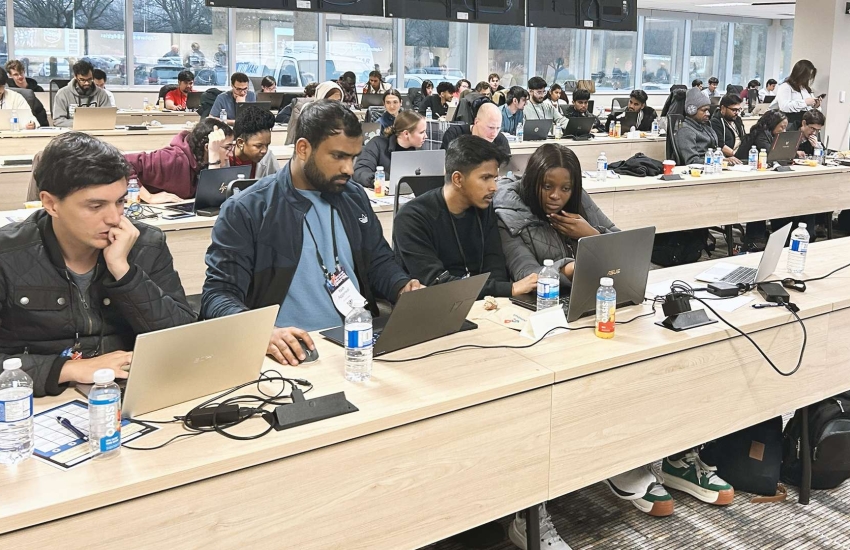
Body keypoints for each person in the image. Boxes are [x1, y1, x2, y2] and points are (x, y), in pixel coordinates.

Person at [201, 100, 422, 365]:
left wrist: (402, 287)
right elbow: (217, 294)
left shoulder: (352, 196)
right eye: (338, 156)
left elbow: (378, 261)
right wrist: (261, 333)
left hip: (358, 342)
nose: (349, 169)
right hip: (292, 353)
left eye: (353, 157)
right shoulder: (248, 209)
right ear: (303, 148)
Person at [0, 132, 194, 397]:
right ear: (50, 204)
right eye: (95, 206)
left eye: (120, 201)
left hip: (131, 391)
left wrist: (124, 273)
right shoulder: (8, 254)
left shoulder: (146, 244)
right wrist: (67, 369)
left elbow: (186, 340)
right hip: (39, 401)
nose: (114, 218)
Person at [394, 135, 537, 300]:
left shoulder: (483, 207)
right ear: (458, 179)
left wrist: (496, 300)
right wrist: (509, 289)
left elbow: (495, 264)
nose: (494, 187)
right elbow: (435, 283)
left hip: (483, 305)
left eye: (495, 178)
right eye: (485, 178)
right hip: (435, 308)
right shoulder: (412, 218)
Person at [495, 143, 618, 287]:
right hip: (543, 301)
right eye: (547, 187)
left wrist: (593, 235)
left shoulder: (578, 198)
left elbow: (625, 245)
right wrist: (572, 269)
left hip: (590, 289)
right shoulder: (507, 212)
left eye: (565, 188)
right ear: (532, 181)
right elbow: (525, 273)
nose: (555, 195)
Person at [124, 118, 234, 203]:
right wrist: (149, 197)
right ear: (207, 147)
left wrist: (214, 159)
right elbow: (123, 162)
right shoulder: (172, 158)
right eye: (227, 148)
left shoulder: (203, 162)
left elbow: (211, 198)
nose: (230, 154)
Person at [737, 110, 788, 248]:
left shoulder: (769, 135)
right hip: (743, 174)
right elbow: (772, 155)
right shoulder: (761, 135)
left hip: (756, 174)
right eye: (781, 127)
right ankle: (755, 236)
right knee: (763, 196)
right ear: (772, 124)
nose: (784, 131)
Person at [354, 111, 427, 188]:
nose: (426, 136)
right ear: (406, 134)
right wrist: (379, 180)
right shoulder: (377, 144)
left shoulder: (419, 151)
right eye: (422, 132)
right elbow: (360, 172)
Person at [52, 59, 112, 127]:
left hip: (96, 133)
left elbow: (108, 119)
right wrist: (83, 124)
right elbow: (58, 121)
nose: (86, 83)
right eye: (82, 80)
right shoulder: (62, 94)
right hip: (71, 134)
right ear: (75, 76)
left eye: (89, 79)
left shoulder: (102, 94)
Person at [441, 102, 512, 158]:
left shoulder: (500, 140)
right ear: (476, 122)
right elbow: (446, 166)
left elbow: (507, 168)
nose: (494, 134)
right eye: (491, 128)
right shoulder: (454, 134)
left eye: (498, 128)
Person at [229, 106, 281, 179]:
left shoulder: (268, 157)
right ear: (240, 143)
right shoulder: (226, 158)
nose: (264, 151)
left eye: (267, 145)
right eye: (258, 146)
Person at [284, 81, 342, 146]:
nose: (335, 105)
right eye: (330, 101)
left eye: (338, 101)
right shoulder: (309, 112)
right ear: (321, 98)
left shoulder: (342, 116)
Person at [675, 87, 719, 165]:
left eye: (708, 110)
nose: (708, 113)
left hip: (711, 167)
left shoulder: (705, 127)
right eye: (704, 110)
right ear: (692, 110)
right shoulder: (686, 130)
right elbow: (692, 161)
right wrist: (718, 161)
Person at [710, 94, 746, 165]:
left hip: (741, 156)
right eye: (734, 110)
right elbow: (719, 145)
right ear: (723, 108)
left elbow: (743, 137)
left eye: (739, 110)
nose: (736, 113)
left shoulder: (737, 119)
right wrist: (735, 154)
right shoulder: (716, 122)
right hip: (729, 158)